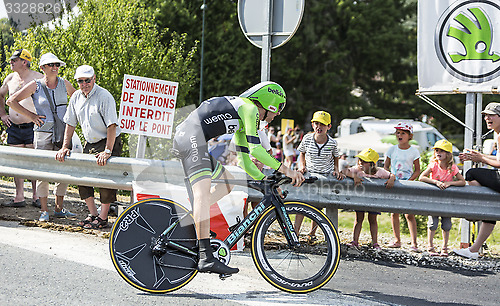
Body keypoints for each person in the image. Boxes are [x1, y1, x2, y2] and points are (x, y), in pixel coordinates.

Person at [157, 81, 304, 275]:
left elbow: (245, 161)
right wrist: (288, 171)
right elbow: (256, 150)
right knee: (202, 192)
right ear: (269, 103)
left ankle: (196, 221)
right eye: (278, 108)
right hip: (191, 138)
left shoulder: (243, 117)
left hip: (193, 138)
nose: (277, 114)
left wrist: (264, 180)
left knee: (225, 183)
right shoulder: (249, 108)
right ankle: (205, 256)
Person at [7, 52, 77, 222]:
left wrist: (72, 119)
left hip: (62, 134)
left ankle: (59, 208)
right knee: (42, 172)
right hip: (42, 133)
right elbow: (11, 101)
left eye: (57, 65)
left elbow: (78, 100)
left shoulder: (64, 84)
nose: (55, 68)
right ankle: (44, 210)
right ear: (42, 68)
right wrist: (31, 116)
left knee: (63, 170)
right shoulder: (35, 85)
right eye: (51, 65)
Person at [55, 65, 122, 230]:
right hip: (89, 142)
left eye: (87, 80)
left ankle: (103, 217)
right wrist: (65, 146)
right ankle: (93, 214)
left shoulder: (104, 96)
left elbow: (112, 126)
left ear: (94, 79)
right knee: (82, 177)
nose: (84, 84)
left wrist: (107, 151)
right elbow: (70, 123)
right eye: (80, 81)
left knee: (105, 180)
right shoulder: (76, 97)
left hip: (108, 140)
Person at [455, 102, 500, 259]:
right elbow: (498, 158)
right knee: (490, 213)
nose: (487, 118)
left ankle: (476, 208)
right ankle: (473, 250)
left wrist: (480, 158)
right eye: (485, 115)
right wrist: (476, 156)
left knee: (471, 173)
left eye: (491, 115)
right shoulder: (497, 133)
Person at [0, 49, 43, 208]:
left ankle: (36, 196)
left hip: (32, 126)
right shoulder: (10, 78)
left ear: (24, 62)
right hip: (14, 126)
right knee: (16, 161)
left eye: (14, 60)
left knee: (32, 161)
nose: (11, 62)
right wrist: (3, 114)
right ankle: (19, 197)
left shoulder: (38, 78)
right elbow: (1, 95)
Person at [294, 111, 344, 243]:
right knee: (301, 205)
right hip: (310, 174)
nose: (319, 127)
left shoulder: (332, 143)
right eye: (316, 123)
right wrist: (302, 166)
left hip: (324, 176)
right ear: (312, 125)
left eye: (322, 124)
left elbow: (336, 156)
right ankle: (295, 234)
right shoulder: (307, 138)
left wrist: (336, 169)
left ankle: (311, 234)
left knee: (317, 208)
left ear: (329, 126)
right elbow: (302, 153)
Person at [419, 139, 465, 256]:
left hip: (446, 200)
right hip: (434, 199)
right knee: (432, 224)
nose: (438, 153)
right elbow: (422, 177)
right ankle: (430, 246)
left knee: (447, 225)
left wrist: (450, 183)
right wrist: (435, 182)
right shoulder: (433, 165)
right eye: (437, 151)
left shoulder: (452, 168)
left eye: (442, 151)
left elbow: (462, 182)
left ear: (448, 154)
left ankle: (444, 247)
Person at [344, 148, 395, 249]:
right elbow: (344, 171)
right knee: (359, 219)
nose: (360, 163)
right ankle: (355, 241)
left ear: (372, 164)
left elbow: (391, 175)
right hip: (360, 199)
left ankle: (375, 242)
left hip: (373, 200)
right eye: (360, 160)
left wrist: (392, 179)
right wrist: (354, 176)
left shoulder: (380, 172)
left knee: (373, 220)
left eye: (364, 161)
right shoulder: (357, 169)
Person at [384, 122, 421, 252]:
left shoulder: (413, 151)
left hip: (407, 185)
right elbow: (386, 167)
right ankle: (397, 240)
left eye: (403, 133)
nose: (399, 135)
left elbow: (417, 170)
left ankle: (414, 243)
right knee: (394, 212)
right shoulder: (392, 149)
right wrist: (390, 177)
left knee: (409, 214)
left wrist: (410, 181)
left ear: (409, 136)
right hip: (394, 184)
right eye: (398, 133)